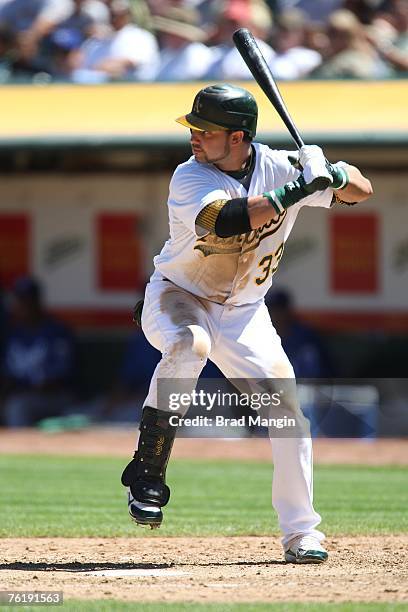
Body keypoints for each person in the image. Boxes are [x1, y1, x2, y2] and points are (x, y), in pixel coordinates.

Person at [120, 83, 372, 563]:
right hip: (179, 295)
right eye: (194, 127)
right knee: (190, 343)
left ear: (238, 137)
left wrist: (334, 173)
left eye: (206, 130)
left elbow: (363, 191)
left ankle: (302, 533)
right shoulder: (189, 176)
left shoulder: (281, 164)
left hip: (244, 313)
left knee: (288, 417)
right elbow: (229, 220)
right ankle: (149, 468)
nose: (194, 136)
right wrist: (302, 186)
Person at [1, 277, 76, 427]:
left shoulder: (56, 332)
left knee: (18, 407)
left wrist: (25, 387)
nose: (21, 306)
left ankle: (22, 448)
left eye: (26, 300)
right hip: (20, 395)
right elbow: (7, 376)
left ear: (37, 302)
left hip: (55, 397)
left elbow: (59, 378)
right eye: (19, 301)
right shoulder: (14, 333)